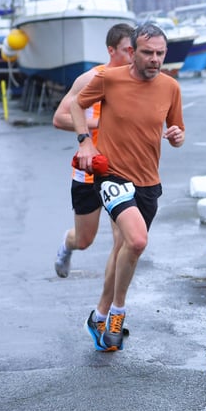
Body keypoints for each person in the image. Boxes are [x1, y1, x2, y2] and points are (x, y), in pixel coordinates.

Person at [70, 22, 185, 351]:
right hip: (111, 176)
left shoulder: (170, 87)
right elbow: (77, 105)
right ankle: (118, 314)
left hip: (149, 183)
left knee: (126, 250)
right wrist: (85, 144)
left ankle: (99, 314)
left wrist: (177, 136)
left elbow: (177, 132)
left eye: (160, 53)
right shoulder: (109, 79)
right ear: (132, 52)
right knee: (136, 240)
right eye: (147, 52)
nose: (154, 59)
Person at [52, 23, 134, 278]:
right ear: (111, 50)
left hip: (120, 170)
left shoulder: (137, 81)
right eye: (127, 50)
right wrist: (99, 122)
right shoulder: (90, 79)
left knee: (123, 240)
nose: (132, 56)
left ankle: (111, 305)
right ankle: (67, 244)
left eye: (135, 50)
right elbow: (60, 118)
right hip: (88, 169)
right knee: (84, 239)